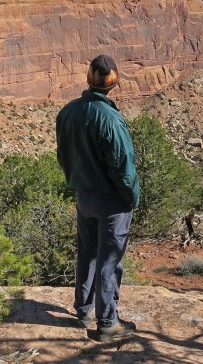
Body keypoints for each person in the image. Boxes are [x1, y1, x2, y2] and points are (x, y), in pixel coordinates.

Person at [56, 54, 140, 341]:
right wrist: (132, 198)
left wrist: (78, 183)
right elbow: (123, 168)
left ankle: (83, 308)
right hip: (111, 202)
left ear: (89, 80)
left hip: (84, 197)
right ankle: (107, 324)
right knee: (109, 261)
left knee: (87, 252)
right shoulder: (112, 121)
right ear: (114, 83)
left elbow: (62, 156)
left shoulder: (67, 112)